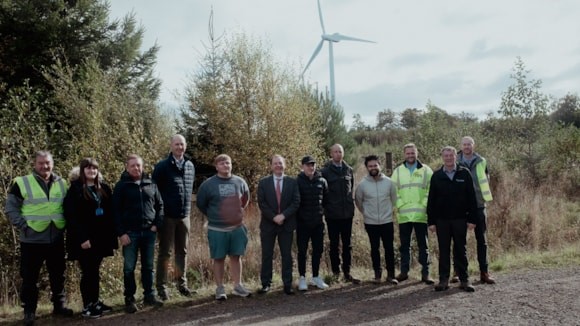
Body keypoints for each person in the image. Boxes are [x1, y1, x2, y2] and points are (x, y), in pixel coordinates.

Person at [5, 151, 73, 325]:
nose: (45, 166)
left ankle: (59, 305)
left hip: (56, 237)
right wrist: (23, 225)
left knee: (58, 274)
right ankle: (29, 311)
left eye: (48, 163)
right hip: (31, 239)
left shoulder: (62, 182)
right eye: (41, 163)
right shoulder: (21, 182)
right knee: (29, 277)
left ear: (53, 163)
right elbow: (11, 208)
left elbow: (67, 206)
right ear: (34, 164)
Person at [63, 158, 117, 318]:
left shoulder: (104, 188)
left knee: (95, 271)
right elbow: (71, 216)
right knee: (87, 272)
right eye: (88, 168)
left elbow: (110, 213)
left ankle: (95, 302)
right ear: (82, 171)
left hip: (101, 239)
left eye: (94, 168)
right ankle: (87, 306)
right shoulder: (75, 189)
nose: (91, 171)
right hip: (84, 240)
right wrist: (82, 238)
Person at [196, 154, 252, 301]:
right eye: (222, 163)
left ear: (231, 165)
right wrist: (215, 216)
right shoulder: (208, 184)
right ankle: (220, 288)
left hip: (237, 228)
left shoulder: (240, 182)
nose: (225, 166)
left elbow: (245, 200)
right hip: (217, 229)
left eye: (227, 163)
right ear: (216, 167)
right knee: (218, 258)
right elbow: (201, 204)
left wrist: (235, 213)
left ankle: (238, 286)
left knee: (236, 256)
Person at [113, 154, 164, 313]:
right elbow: (115, 212)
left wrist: (156, 224)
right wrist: (121, 233)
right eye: (133, 165)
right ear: (127, 168)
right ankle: (129, 299)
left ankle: (149, 295)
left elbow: (160, 205)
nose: (136, 168)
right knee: (129, 268)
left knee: (148, 267)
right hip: (130, 234)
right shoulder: (121, 186)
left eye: (139, 165)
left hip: (149, 232)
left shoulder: (151, 183)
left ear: (143, 167)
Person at [427, 146, 477, 292]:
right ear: (442, 157)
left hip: (460, 219)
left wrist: (472, 219)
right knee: (443, 250)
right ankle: (443, 280)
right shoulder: (436, 176)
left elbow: (472, 198)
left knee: (461, 249)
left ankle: (464, 280)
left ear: (456, 156)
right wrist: (431, 222)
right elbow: (431, 200)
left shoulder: (464, 173)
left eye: (451, 155)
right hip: (442, 220)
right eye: (446, 156)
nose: (448, 158)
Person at [153, 134, 196, 301]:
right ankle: (161, 287)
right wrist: (159, 215)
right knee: (165, 252)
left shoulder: (190, 166)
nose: (180, 147)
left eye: (182, 144)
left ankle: (182, 285)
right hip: (167, 217)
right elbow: (154, 193)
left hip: (184, 216)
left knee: (182, 252)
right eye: (177, 144)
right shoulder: (162, 167)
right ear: (171, 146)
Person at [391, 144, 435, 285]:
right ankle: (404, 272)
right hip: (404, 215)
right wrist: (400, 204)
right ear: (404, 154)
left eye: (413, 153)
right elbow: (393, 190)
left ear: (417, 153)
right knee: (404, 245)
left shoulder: (426, 170)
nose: (410, 155)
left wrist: (424, 203)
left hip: (421, 214)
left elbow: (432, 189)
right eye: (408, 153)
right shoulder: (398, 171)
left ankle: (425, 273)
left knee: (424, 245)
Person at [257, 154, 300, 295]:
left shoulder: (292, 182)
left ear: (284, 165)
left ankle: (287, 284)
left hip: (287, 224)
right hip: (268, 224)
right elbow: (262, 203)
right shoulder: (263, 183)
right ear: (271, 166)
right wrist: (274, 217)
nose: (278, 165)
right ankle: (266, 283)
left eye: (280, 163)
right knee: (267, 255)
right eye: (275, 163)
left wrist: (283, 215)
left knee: (286, 255)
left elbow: (296, 202)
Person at [456, 136, 495, 284]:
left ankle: (484, 272)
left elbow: (487, 178)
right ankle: (458, 273)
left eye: (469, 144)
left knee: (482, 241)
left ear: (474, 145)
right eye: (464, 144)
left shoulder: (482, 161)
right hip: (460, 207)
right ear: (461, 146)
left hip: (479, 205)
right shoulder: (454, 160)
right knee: (459, 241)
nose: (467, 147)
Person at [355, 155, 398, 284]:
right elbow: (358, 201)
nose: (373, 168)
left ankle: (391, 275)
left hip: (387, 221)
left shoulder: (389, 182)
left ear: (380, 165)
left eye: (375, 165)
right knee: (374, 249)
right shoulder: (362, 185)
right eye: (370, 166)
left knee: (389, 248)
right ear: (367, 167)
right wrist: (366, 213)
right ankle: (377, 275)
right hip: (371, 222)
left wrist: (389, 212)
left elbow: (394, 200)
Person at [321, 144, 360, 283]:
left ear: (343, 153)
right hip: (332, 215)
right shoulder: (325, 171)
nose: (338, 154)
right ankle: (336, 273)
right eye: (335, 152)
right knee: (334, 244)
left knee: (347, 245)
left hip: (347, 214)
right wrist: (326, 209)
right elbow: (323, 194)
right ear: (331, 154)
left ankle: (347, 272)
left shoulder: (348, 170)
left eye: (340, 151)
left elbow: (351, 190)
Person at [296, 155, 329, 291]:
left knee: (318, 250)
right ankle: (302, 278)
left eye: (313, 164)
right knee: (302, 251)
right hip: (302, 223)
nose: (311, 167)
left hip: (317, 223)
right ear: (303, 166)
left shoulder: (322, 181)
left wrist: (322, 214)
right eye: (308, 165)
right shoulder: (297, 181)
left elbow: (326, 200)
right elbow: (295, 202)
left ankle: (316, 277)